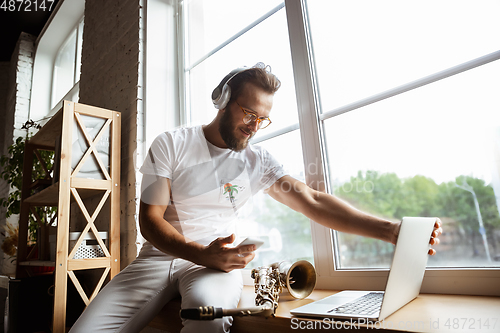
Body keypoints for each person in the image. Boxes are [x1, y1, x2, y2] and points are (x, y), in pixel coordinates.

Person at [69, 63, 442, 332]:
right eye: (248, 112)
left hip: (214, 267)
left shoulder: (258, 160)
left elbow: (312, 202)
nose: (253, 125)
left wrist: (392, 230)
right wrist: (200, 251)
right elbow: (149, 220)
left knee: (207, 319)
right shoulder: (172, 143)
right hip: (158, 259)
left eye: (262, 119)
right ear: (223, 100)